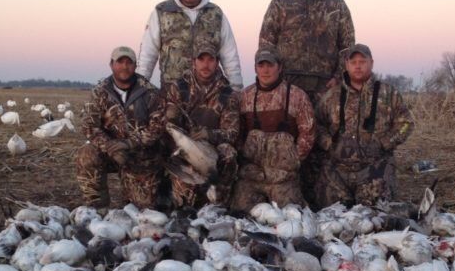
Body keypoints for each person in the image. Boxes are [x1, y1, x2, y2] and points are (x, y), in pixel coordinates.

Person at [314, 44, 414, 207]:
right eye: (353, 62)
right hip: (337, 169)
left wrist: (385, 142)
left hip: (374, 168)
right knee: (329, 216)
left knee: (374, 215)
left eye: (362, 61)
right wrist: (328, 143)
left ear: (371, 63)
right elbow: (316, 124)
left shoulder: (388, 93)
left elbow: (406, 124)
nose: (358, 66)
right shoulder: (332, 95)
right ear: (347, 65)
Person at [258, 0, 355, 104]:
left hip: (325, 83)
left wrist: (338, 76)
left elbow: (347, 42)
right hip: (288, 80)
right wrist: (273, 76)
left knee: (325, 120)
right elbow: (266, 40)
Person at [75, 46, 168, 209]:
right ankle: (97, 208)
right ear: (111, 64)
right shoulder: (100, 92)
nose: (124, 66)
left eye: (129, 62)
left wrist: (129, 144)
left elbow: (158, 127)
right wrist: (110, 147)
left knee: (142, 209)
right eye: (120, 62)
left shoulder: (150, 92)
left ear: (135, 66)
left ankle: (133, 194)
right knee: (87, 154)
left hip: (141, 155)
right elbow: (89, 126)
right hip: (110, 152)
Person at [230, 49, 315, 212]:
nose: (265, 70)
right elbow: (236, 134)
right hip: (252, 178)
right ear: (255, 68)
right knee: (238, 215)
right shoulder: (244, 97)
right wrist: (245, 164)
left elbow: (308, 134)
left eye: (270, 65)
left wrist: (293, 161)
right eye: (261, 65)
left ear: (279, 67)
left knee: (291, 217)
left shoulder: (297, 96)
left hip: (283, 179)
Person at [137, 0, 243, 90]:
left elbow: (230, 55)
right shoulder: (161, 12)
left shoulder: (216, 14)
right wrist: (140, 88)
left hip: (209, 95)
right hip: (172, 95)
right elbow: (147, 54)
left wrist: (236, 88)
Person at [163, 36, 241, 208]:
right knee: (186, 206)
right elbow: (168, 125)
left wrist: (209, 134)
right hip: (185, 150)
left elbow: (232, 133)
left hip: (212, 151)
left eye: (210, 60)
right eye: (201, 59)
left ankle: (219, 201)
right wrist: (178, 130)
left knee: (228, 153)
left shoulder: (228, 94)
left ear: (217, 62)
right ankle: (181, 197)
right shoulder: (179, 88)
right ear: (194, 62)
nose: (206, 64)